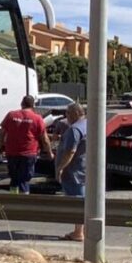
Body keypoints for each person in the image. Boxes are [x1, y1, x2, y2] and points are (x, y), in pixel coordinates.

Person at [0, 95, 52, 194]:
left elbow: (1, 134)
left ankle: (14, 197)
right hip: (28, 154)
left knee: (14, 179)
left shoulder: (11, 115)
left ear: (22, 104)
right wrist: (49, 152)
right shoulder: (37, 118)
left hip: (12, 153)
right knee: (24, 180)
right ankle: (24, 200)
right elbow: (45, 139)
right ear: (33, 105)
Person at [54, 102, 88, 241]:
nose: (66, 116)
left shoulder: (74, 129)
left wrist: (60, 168)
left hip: (74, 171)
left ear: (75, 113)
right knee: (82, 199)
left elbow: (70, 151)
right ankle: (81, 230)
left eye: (67, 113)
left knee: (76, 201)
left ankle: (78, 232)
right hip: (84, 169)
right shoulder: (88, 125)